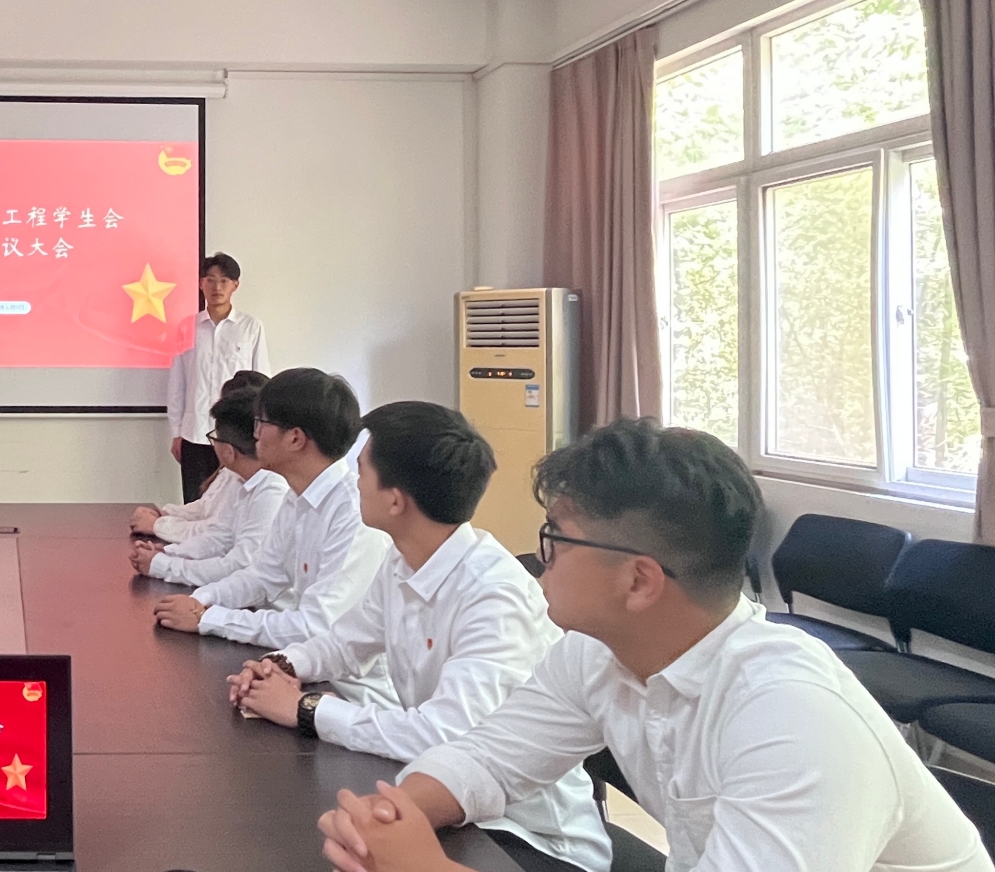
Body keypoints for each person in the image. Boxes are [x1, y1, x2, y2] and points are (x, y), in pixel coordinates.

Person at [315, 418, 994, 872]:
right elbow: (489, 758)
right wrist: (399, 810)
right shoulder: (599, 651)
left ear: (639, 581)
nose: (540, 557)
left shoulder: (793, 718)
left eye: (557, 538)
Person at [229, 401, 608, 872]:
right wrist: (283, 666)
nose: (354, 482)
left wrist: (306, 709)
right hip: (452, 799)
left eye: (361, 471)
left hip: (528, 835)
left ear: (395, 501)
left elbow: (445, 733)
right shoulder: (404, 560)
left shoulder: (493, 594)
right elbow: (345, 642)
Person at [151, 368, 393, 704]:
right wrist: (201, 600)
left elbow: (315, 626)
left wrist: (209, 619)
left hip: (352, 696)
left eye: (261, 423)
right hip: (300, 672)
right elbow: (263, 575)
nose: (254, 435)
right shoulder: (298, 497)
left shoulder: (353, 515)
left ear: (295, 438)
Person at [129, 384, 287, 589]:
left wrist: (164, 566)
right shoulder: (243, 479)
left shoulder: (273, 490)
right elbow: (218, 537)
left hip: (259, 602)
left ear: (228, 452)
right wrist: (168, 553)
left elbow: (240, 566)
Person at [166, 252, 272, 502]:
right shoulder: (187, 328)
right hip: (194, 432)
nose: (217, 287)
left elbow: (262, 381)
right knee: (194, 500)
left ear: (235, 285)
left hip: (238, 435)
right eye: (211, 280)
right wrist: (176, 432)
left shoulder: (250, 327)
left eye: (224, 281)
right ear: (201, 283)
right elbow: (177, 384)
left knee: (235, 502)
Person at [133, 370, 270, 543]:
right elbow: (206, 508)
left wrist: (158, 525)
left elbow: (216, 534)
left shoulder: (269, 486)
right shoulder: (235, 472)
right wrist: (164, 514)